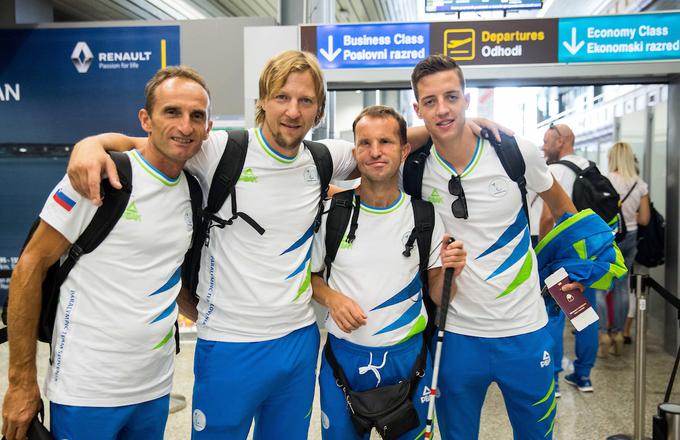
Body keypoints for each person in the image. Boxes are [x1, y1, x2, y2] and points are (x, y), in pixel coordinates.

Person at [64, 50, 506, 439]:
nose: (292, 111)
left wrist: (461, 126)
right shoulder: (220, 150)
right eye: (281, 97)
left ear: (317, 112)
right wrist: (90, 144)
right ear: (262, 102)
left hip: (298, 344)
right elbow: (152, 145)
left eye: (305, 101)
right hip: (229, 346)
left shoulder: (324, 158)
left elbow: (386, 144)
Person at [1, 66, 212, 440]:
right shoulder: (100, 175)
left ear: (208, 127)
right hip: (87, 390)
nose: (186, 125)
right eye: (172, 112)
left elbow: (163, 272)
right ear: (145, 119)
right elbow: (30, 267)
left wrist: (209, 316)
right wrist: (20, 381)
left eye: (197, 115)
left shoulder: (193, 189)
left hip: (155, 387)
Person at [405, 55, 576, 440]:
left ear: (468, 99)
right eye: (429, 102)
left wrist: (569, 277)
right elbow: (367, 151)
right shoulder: (414, 167)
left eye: (451, 97)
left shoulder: (516, 152)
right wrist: (420, 133)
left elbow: (565, 209)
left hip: (526, 332)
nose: (442, 108)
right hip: (455, 337)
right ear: (417, 109)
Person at [310, 105, 466, 439]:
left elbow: (440, 296)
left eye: (385, 142)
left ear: (404, 149)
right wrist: (333, 299)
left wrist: (454, 271)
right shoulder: (332, 215)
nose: (375, 151)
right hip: (342, 360)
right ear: (355, 152)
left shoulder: (425, 217)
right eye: (365, 143)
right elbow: (309, 278)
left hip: (409, 362)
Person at [539, 123, 599, 394]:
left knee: (553, 316)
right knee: (584, 315)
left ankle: (552, 379)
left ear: (561, 141)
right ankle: (583, 376)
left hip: (561, 255)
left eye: (547, 141)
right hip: (589, 255)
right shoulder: (593, 168)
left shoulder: (555, 171)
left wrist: (542, 253)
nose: (543, 147)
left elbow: (548, 217)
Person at [596, 142, 650, 354]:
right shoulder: (640, 184)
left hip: (608, 237)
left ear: (612, 158)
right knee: (621, 286)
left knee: (600, 285)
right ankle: (618, 333)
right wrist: (629, 217)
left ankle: (602, 333)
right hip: (631, 236)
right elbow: (645, 219)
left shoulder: (605, 181)